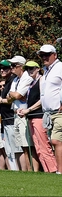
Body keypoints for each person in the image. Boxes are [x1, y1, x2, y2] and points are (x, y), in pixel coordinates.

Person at [18, 60, 56, 172]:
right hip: (31, 117)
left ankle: (54, 170)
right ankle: (47, 171)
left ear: (38, 69)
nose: (29, 71)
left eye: (31, 68)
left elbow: (42, 99)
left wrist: (29, 109)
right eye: (27, 69)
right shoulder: (31, 83)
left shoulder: (41, 80)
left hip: (39, 116)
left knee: (44, 146)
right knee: (38, 148)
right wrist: (24, 110)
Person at [37, 44, 62, 173]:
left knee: (56, 141)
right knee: (53, 142)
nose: (44, 57)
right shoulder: (46, 71)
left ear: (55, 55)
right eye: (42, 55)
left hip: (58, 111)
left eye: (47, 55)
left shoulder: (60, 67)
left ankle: (60, 172)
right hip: (48, 113)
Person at [7, 55, 33, 171]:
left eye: (13, 65)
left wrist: (14, 94)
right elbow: (9, 97)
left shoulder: (27, 78)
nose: (11, 68)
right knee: (22, 146)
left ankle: (32, 170)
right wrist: (14, 94)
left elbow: (16, 95)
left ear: (21, 66)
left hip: (24, 114)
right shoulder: (15, 80)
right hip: (16, 114)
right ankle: (28, 170)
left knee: (28, 145)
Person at [0, 59, 19, 170]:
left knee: (15, 148)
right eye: (1, 68)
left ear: (11, 69)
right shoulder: (7, 82)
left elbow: (13, 99)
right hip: (4, 121)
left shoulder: (13, 81)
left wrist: (1, 101)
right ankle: (13, 171)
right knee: (8, 149)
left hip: (12, 119)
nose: (2, 70)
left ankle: (18, 170)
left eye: (4, 68)